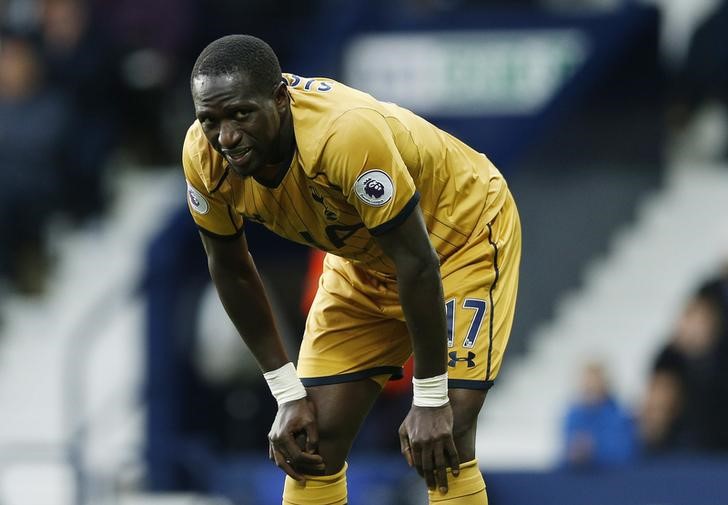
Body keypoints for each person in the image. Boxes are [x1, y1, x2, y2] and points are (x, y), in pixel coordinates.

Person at [182, 34, 521, 505]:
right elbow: (232, 270)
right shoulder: (203, 156)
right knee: (309, 443)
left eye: (241, 114)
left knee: (446, 432)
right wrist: (286, 390)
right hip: (365, 256)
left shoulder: (343, 135)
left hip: (458, 237)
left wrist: (428, 396)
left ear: (280, 98)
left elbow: (418, 263)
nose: (227, 137)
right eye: (210, 120)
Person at [561, 361, 637, 468]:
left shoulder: (619, 416)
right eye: (587, 383)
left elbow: (626, 454)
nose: (590, 387)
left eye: (595, 382)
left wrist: (594, 451)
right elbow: (562, 457)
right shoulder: (572, 416)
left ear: (605, 384)